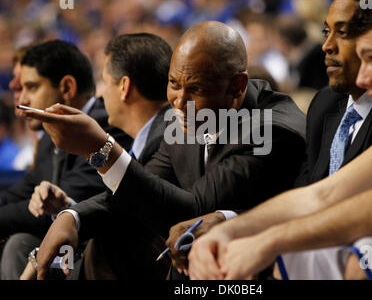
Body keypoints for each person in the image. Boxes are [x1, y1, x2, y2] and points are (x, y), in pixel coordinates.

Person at [188, 0, 372, 280]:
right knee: (297, 257)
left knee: (369, 257)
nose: (365, 76)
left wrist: (269, 240)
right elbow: (323, 195)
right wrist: (230, 230)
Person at [23, 21, 306, 280]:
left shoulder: (270, 131)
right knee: (104, 241)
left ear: (237, 86)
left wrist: (100, 150)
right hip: (192, 264)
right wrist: (74, 217)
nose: (180, 102)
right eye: (173, 83)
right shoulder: (185, 118)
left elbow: (193, 212)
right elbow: (143, 190)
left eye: (196, 88)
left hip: (259, 270)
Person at [19, 33, 173, 280]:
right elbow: (124, 200)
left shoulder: (169, 136)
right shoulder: (157, 134)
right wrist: (70, 210)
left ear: (124, 87)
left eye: (104, 82)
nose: (100, 94)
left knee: (103, 243)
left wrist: (94, 150)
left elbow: (139, 203)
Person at [0, 40, 132, 280]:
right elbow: (21, 192)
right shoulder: (52, 131)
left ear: (67, 87)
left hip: (100, 253)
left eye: (32, 87)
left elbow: (49, 209)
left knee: (19, 244)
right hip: (66, 252)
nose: (24, 99)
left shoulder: (105, 129)